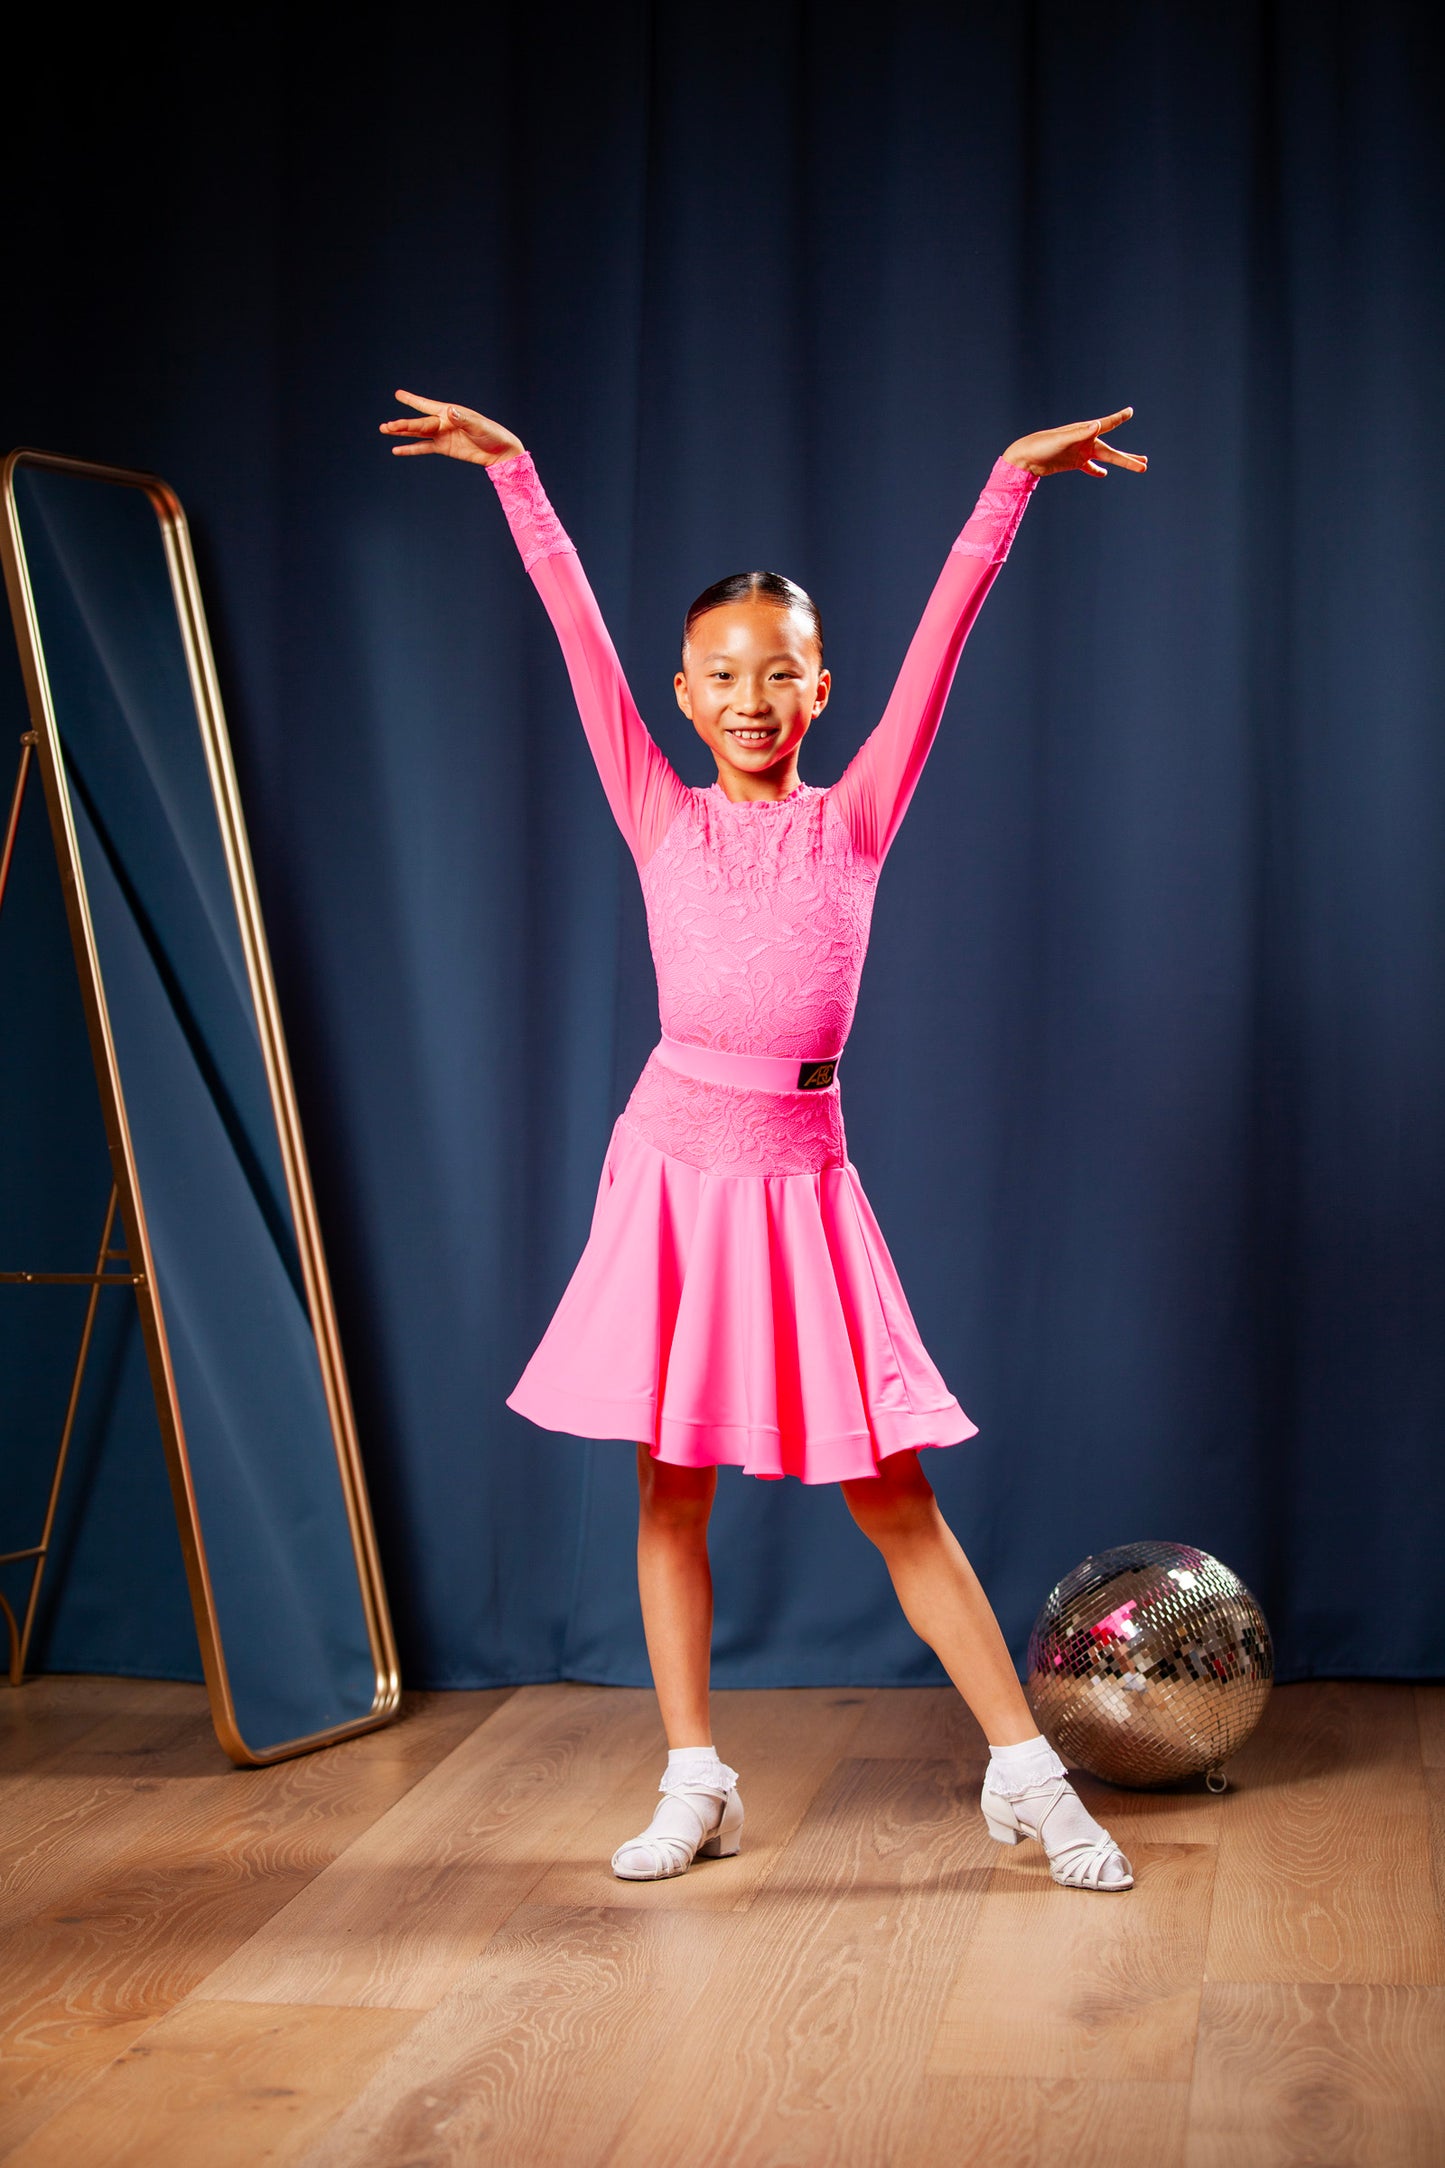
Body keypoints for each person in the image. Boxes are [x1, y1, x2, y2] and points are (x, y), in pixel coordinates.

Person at [380, 388, 1148, 1893]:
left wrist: (1003, 484)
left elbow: (943, 646)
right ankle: (695, 1777)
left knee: (892, 1490)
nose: (748, 695)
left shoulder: (851, 820)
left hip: (797, 1180)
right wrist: (518, 478)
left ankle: (1023, 1772)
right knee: (671, 1485)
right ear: (681, 694)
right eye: (720, 674)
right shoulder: (661, 818)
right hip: (672, 1168)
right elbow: (575, 637)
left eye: (776, 672)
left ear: (817, 689)